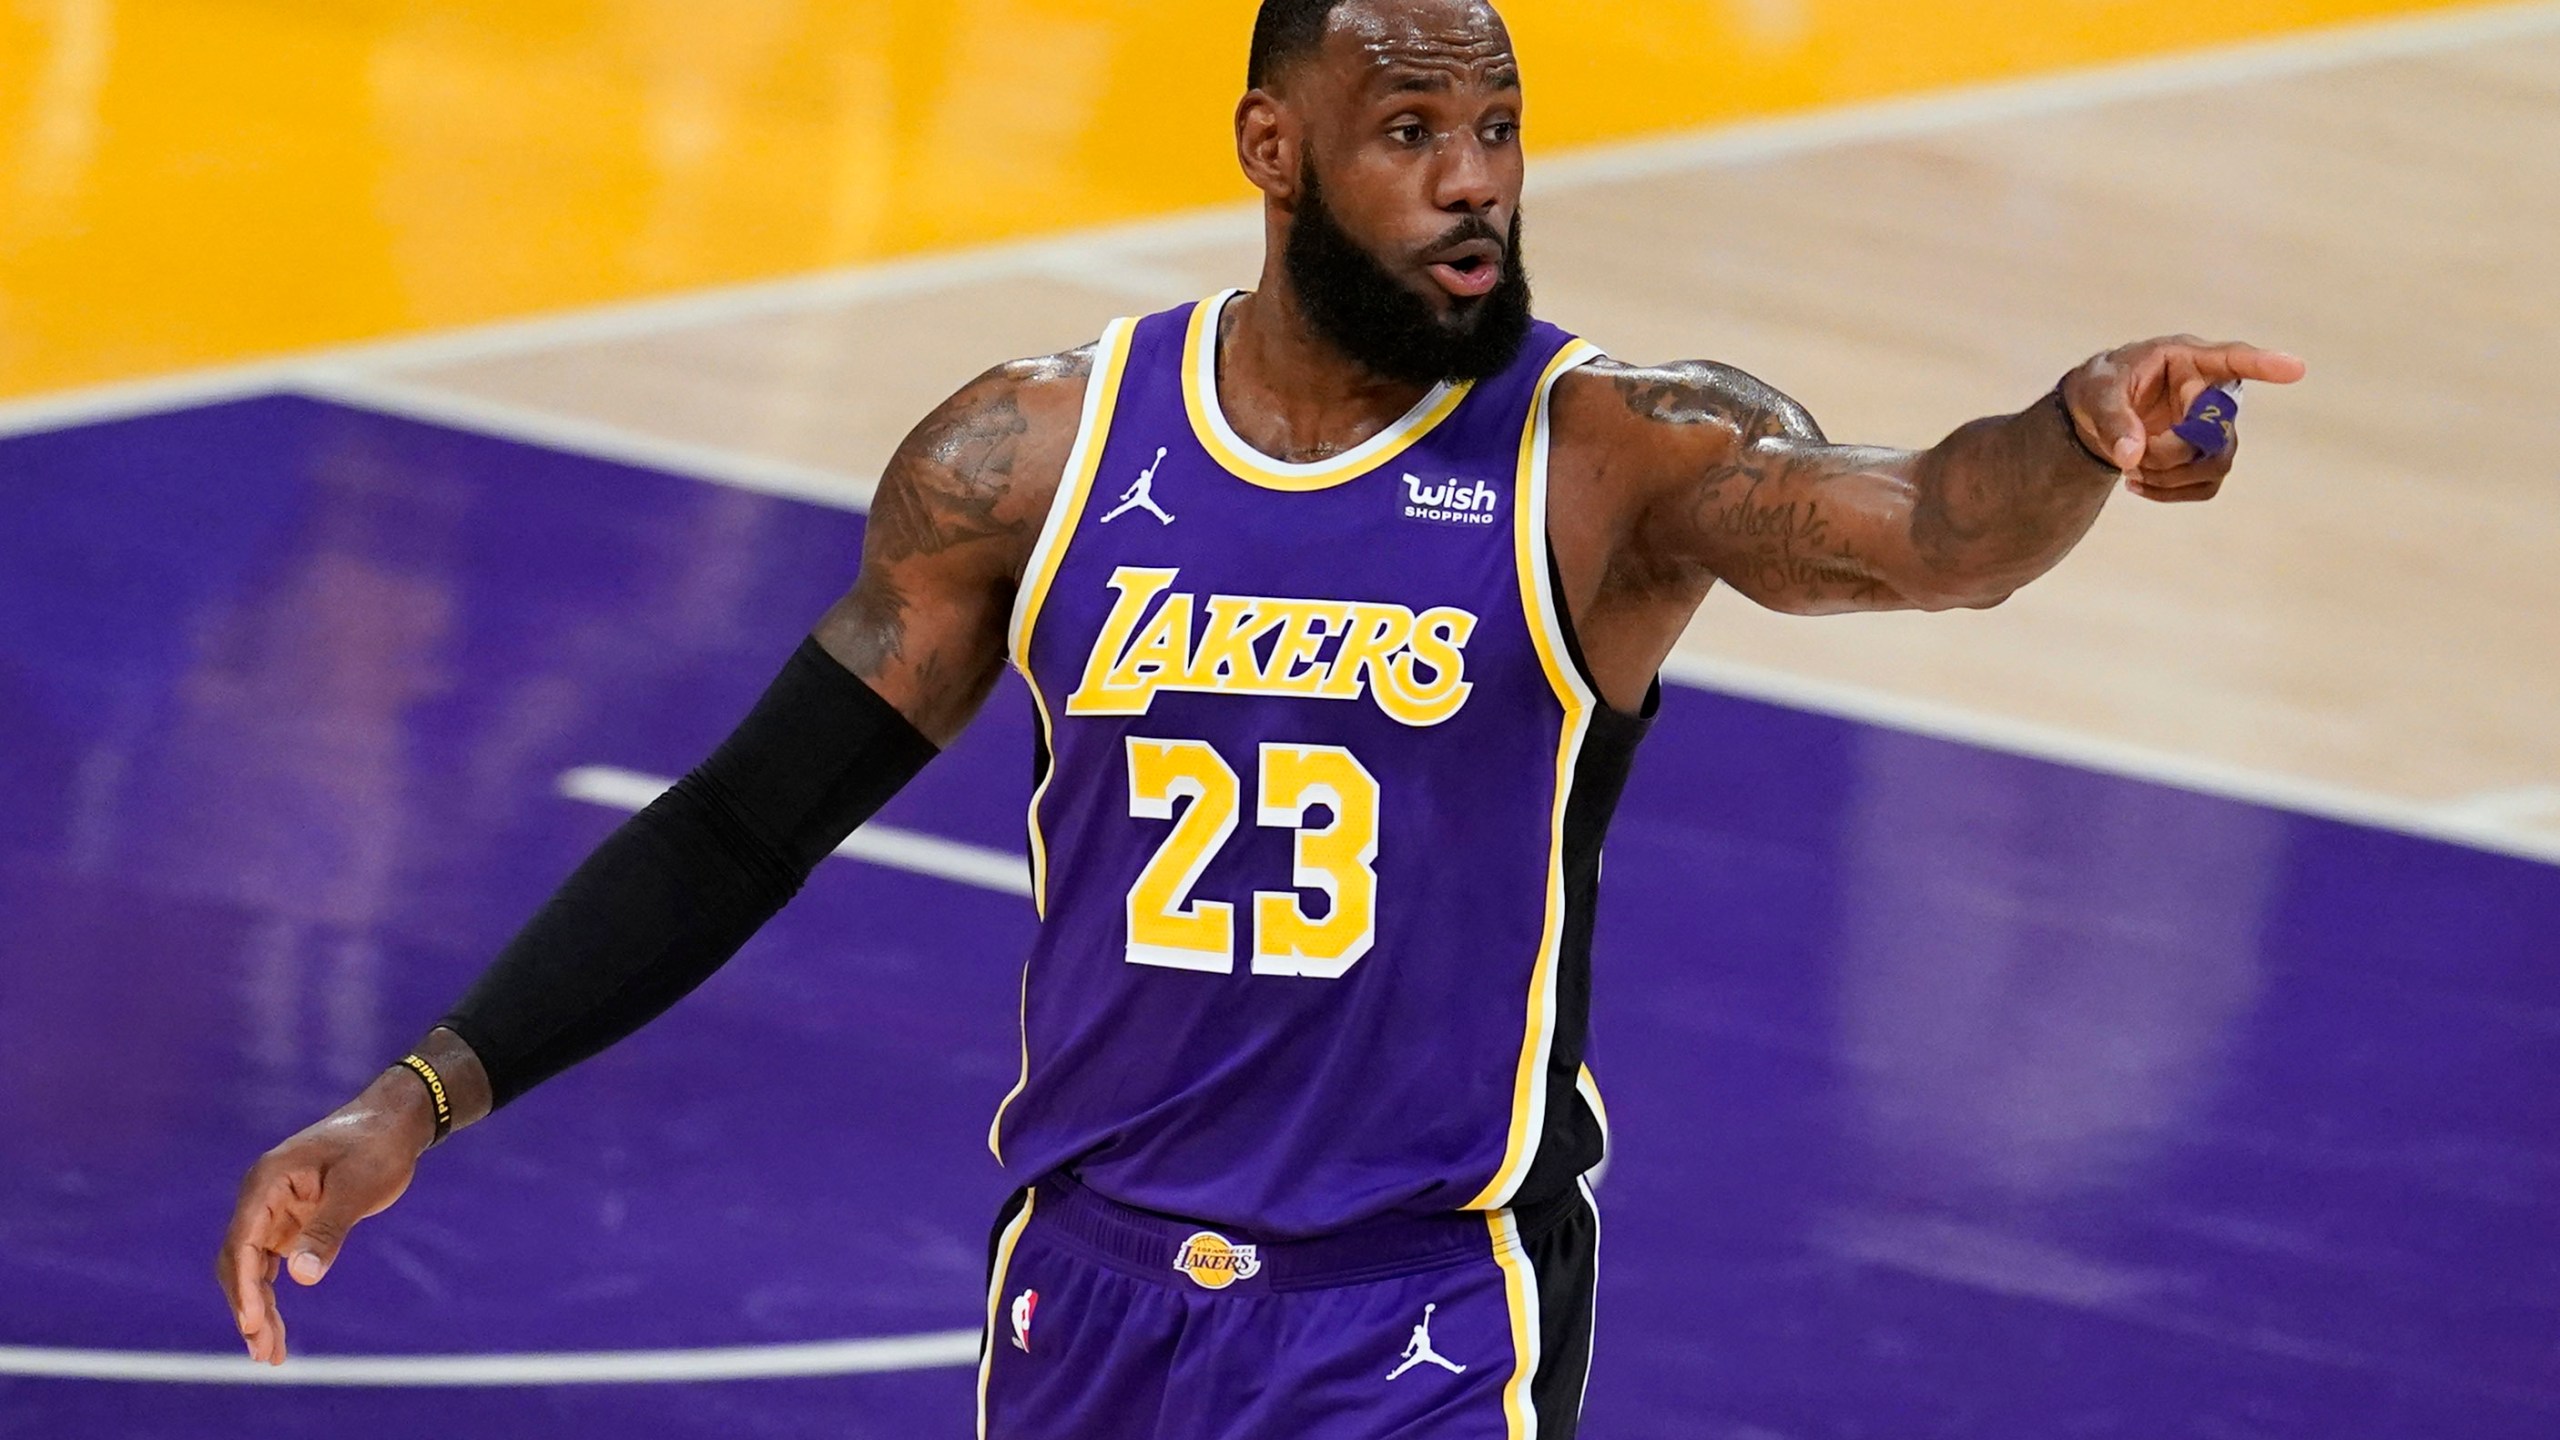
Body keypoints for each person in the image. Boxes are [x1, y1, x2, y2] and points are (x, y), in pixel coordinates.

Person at [216, 0, 2304, 1433]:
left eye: (1495, 131)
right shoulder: (1032, 453)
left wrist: (2074, 430)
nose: (1472, 182)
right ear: (1270, 149)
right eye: (1410, 137)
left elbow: (1929, 530)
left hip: (1407, 1308)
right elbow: (744, 822)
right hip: (1087, 1290)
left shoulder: (1611, 458)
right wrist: (415, 1097)